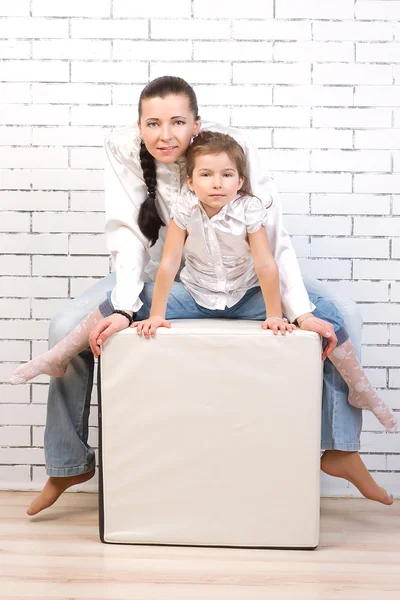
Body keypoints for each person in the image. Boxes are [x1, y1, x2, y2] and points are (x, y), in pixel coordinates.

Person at [11, 76, 394, 516]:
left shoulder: (230, 148)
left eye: (177, 122)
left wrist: (298, 311)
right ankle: (68, 463)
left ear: (196, 123)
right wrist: (124, 305)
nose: (165, 135)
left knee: (340, 315)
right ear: (138, 126)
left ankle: (339, 447)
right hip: (170, 281)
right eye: (152, 124)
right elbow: (129, 236)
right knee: (66, 328)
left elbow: (274, 242)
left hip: (244, 277)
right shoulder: (122, 148)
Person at [128, 130, 396, 435]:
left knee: (328, 313)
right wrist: (158, 315)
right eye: (206, 174)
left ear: (240, 181)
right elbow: (170, 262)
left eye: (227, 174)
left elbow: (266, 263)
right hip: (196, 295)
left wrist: (273, 314)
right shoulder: (184, 208)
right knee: (127, 301)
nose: (217, 183)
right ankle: (64, 354)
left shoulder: (248, 208)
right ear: (191, 182)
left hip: (246, 296)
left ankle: (359, 386)